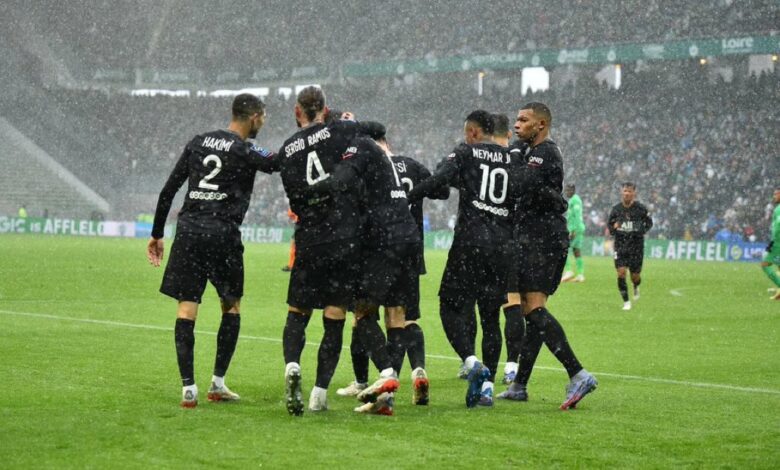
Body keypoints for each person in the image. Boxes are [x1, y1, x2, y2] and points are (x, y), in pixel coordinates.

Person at [146, 93, 276, 408]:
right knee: (231, 307)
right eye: (263, 117)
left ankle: (188, 389)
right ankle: (217, 384)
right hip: (223, 235)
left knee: (186, 309)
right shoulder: (246, 149)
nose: (263, 122)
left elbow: (168, 190)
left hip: (189, 234)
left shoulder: (198, 142)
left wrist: (157, 233)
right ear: (254, 117)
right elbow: (276, 163)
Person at [276, 87, 398, 416]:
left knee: (297, 313)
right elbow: (374, 128)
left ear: (297, 111)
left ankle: (292, 365)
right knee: (335, 317)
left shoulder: (287, 149)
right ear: (325, 108)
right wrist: (346, 120)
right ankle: (319, 394)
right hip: (344, 236)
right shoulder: (341, 131)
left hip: (309, 238)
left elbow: (295, 199)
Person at [306, 120, 423, 415]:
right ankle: (385, 399)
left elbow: (342, 180)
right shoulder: (380, 155)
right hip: (407, 237)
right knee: (396, 317)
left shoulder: (360, 145)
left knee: (362, 311)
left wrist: (310, 191)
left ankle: (387, 374)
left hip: (385, 240)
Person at [336, 122, 448, 407]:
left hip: (378, 245)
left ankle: (375, 378)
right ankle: (407, 376)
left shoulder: (364, 164)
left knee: (362, 314)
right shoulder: (408, 165)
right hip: (410, 243)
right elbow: (443, 191)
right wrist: (419, 190)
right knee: (402, 317)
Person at [409, 110, 514, 408]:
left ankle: (471, 362)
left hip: (470, 243)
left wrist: (407, 198)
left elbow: (439, 180)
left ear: (473, 132)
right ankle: (488, 389)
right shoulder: (512, 159)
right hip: (501, 247)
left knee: (450, 305)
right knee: (491, 318)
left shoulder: (467, 152)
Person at [498, 102, 597, 410]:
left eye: (523, 120)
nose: (517, 125)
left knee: (533, 309)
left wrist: (514, 155)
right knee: (533, 312)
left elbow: (519, 184)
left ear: (540, 125)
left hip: (542, 239)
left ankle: (577, 373)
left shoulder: (545, 152)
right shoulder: (534, 153)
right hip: (537, 236)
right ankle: (520, 385)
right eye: (516, 120)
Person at [607, 182, 654, 311]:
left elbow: (649, 223)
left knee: (635, 276)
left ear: (634, 193)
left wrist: (641, 231)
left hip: (636, 247)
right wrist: (614, 228)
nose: (627, 193)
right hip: (620, 246)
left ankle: (636, 285)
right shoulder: (616, 209)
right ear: (621, 193)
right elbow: (610, 226)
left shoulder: (641, 209)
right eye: (625, 191)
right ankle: (626, 302)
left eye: (629, 191)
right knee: (621, 273)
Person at [561, 183, 586, 282]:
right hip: (577, 228)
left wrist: (573, 230)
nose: (566, 192)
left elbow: (577, 215)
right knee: (576, 251)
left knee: (564, 249)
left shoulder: (575, 200)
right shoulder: (574, 199)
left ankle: (568, 271)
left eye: (568, 190)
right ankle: (580, 274)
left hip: (575, 229)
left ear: (573, 190)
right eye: (566, 190)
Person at [761, 187, 780, 300]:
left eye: (776, 194)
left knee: (765, 264)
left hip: (778, 242)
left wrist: (773, 241)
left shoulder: (778, 209)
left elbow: (778, 227)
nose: (774, 196)